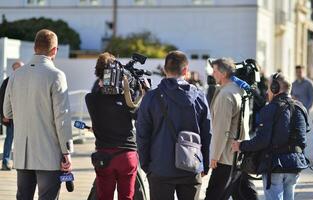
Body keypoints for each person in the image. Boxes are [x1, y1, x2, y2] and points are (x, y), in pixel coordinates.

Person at [3, 29, 73, 199]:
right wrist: (67, 151)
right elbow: (61, 117)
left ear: (34, 48)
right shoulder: (56, 76)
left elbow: (7, 112)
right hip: (48, 154)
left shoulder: (16, 75)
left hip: (22, 154)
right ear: (54, 50)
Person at [136, 50, 211, 200]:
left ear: (164, 70)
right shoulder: (199, 97)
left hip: (159, 167)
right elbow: (207, 133)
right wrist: (205, 164)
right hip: (191, 164)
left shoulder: (151, 97)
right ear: (185, 70)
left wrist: (146, 166)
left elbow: (142, 134)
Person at [232, 73, 309, 200]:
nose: (267, 91)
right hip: (295, 165)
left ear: (275, 88)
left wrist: (241, 145)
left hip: (275, 166)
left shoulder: (270, 109)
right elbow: (302, 139)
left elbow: (262, 141)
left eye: (269, 87)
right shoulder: (300, 108)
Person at [85, 52, 143, 200]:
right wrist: (133, 87)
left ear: (98, 74)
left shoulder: (91, 99)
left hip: (104, 156)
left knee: (104, 197)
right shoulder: (127, 99)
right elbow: (138, 114)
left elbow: (98, 92)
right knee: (127, 197)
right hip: (127, 155)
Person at [204, 58, 257, 200]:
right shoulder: (240, 90)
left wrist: (214, 155)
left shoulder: (226, 94)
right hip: (240, 153)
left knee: (214, 195)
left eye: (214, 71)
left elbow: (222, 129)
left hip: (226, 157)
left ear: (222, 73)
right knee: (245, 194)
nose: (212, 74)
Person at [0, 61, 24, 170]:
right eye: (19, 68)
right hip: (12, 116)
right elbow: (1, 99)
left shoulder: (27, 80)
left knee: (23, 140)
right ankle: (5, 161)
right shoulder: (7, 82)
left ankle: (20, 162)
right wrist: (4, 115)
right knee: (10, 138)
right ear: (14, 70)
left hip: (25, 117)